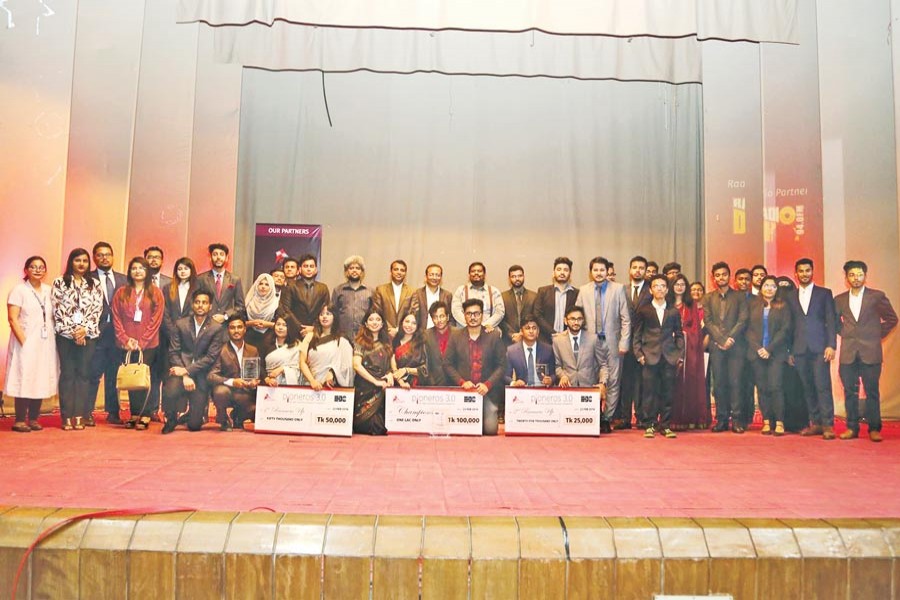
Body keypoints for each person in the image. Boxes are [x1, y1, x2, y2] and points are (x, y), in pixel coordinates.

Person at [835, 260, 898, 442]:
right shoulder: (839, 299)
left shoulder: (876, 296)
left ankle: (874, 429)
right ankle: (852, 428)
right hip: (848, 353)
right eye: (852, 275)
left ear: (865, 276)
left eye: (859, 274)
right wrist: (845, 332)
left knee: (872, 391)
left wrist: (876, 334)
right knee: (850, 392)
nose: (856, 278)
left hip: (871, 352)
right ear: (846, 278)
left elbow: (892, 319)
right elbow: (834, 322)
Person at [574, 256, 630, 433]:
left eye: (602, 270)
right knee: (591, 379)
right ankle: (594, 415)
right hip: (590, 343)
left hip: (613, 343)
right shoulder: (583, 290)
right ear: (590, 272)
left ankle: (607, 417)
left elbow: (625, 319)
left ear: (607, 271)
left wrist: (624, 342)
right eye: (595, 270)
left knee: (613, 380)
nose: (599, 273)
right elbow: (577, 316)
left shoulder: (618, 289)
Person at [52, 248, 103, 431]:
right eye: (77, 260)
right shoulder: (60, 282)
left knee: (83, 374)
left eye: (85, 261)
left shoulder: (95, 284)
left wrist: (84, 330)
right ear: (71, 262)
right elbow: (57, 309)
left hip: (88, 336)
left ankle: (79, 415)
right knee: (67, 374)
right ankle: (66, 416)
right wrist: (73, 332)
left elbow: (97, 310)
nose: (81, 264)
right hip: (66, 336)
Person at [5, 256, 58, 433]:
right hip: (25, 342)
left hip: (46, 342)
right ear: (26, 270)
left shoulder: (49, 291)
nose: (37, 270)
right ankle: (20, 420)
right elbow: (12, 319)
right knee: (24, 377)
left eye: (41, 267)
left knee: (41, 377)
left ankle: (34, 418)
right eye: (33, 267)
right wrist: (24, 342)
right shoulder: (19, 290)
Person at [111, 257, 165, 430]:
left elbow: (156, 319)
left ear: (147, 271)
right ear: (130, 272)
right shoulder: (121, 292)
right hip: (126, 344)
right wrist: (125, 339)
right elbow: (116, 317)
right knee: (131, 378)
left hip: (148, 344)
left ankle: (146, 414)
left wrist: (142, 341)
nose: (138, 271)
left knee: (146, 378)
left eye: (141, 268)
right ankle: (134, 414)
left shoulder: (156, 292)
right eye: (134, 268)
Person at [162, 290, 225, 434]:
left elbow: (211, 357)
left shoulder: (216, 328)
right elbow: (174, 352)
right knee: (170, 389)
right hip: (181, 372)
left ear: (210, 306)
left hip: (201, 375)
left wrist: (187, 371)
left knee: (194, 426)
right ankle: (171, 418)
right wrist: (184, 375)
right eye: (197, 302)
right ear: (192, 304)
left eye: (204, 303)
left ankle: (192, 415)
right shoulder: (181, 324)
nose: (200, 305)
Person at [788, 258, 838, 440]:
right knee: (807, 387)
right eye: (801, 271)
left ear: (812, 271)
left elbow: (831, 321)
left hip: (820, 348)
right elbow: (789, 326)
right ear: (796, 274)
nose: (804, 274)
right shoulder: (790, 296)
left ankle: (828, 425)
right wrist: (790, 351)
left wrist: (831, 345)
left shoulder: (824, 293)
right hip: (799, 349)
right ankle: (815, 423)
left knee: (822, 386)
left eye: (807, 270)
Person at [443, 299, 508, 435]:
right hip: (464, 391)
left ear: (482, 315)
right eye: (469, 314)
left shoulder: (493, 336)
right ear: (464, 316)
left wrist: (488, 384)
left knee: (490, 430)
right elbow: (447, 364)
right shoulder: (456, 336)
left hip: (487, 392)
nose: (473, 317)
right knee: (462, 430)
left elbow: (502, 365)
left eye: (476, 314)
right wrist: (462, 382)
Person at [633, 275, 684, 438]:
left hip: (669, 357)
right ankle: (650, 424)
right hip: (649, 357)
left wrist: (679, 354)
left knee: (668, 392)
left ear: (667, 290)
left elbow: (679, 334)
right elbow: (637, 334)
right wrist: (639, 354)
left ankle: (665, 425)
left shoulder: (673, 311)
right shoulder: (644, 310)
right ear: (651, 290)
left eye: (663, 286)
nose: (659, 289)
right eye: (656, 286)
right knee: (649, 392)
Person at [704, 261, 749, 433]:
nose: (721, 277)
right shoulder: (708, 298)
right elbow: (708, 321)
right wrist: (720, 340)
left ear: (729, 276)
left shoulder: (739, 297)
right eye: (717, 275)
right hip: (717, 347)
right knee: (719, 384)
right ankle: (721, 420)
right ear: (713, 278)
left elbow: (743, 319)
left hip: (736, 346)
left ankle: (737, 420)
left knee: (736, 383)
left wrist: (730, 338)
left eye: (724, 274)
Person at [745, 275, 792, 436]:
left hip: (776, 353)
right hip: (756, 353)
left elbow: (785, 330)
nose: (769, 289)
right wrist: (758, 348)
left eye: (773, 286)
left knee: (775, 386)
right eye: (766, 285)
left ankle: (779, 422)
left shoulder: (783, 306)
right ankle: (766, 421)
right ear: (761, 288)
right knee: (762, 388)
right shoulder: (753, 305)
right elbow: (747, 329)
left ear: (777, 289)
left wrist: (769, 349)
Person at [87, 241, 127, 425]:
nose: (104, 258)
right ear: (94, 258)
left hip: (117, 335)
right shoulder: (87, 278)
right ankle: (87, 412)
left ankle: (113, 412)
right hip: (96, 334)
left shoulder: (123, 279)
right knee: (93, 375)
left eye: (107, 254)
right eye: (100, 255)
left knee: (113, 375)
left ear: (113, 257)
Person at [668, 274, 709, 430]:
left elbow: (696, 330)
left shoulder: (691, 305)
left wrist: (682, 334)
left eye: (682, 284)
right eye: (676, 284)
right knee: (672, 383)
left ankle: (692, 418)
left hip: (688, 350)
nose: (679, 287)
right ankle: (672, 418)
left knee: (690, 382)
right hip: (669, 348)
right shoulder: (667, 304)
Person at [617, 255, 651, 429]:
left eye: (641, 268)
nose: (638, 270)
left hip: (645, 343)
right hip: (624, 343)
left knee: (642, 383)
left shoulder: (651, 290)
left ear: (645, 271)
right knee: (625, 382)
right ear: (629, 270)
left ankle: (641, 417)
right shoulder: (622, 289)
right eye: (635, 267)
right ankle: (624, 418)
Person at [208, 316, 259, 431]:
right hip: (226, 391)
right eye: (232, 328)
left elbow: (253, 375)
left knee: (258, 412)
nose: (236, 330)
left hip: (244, 393)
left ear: (245, 329)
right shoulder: (220, 350)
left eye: (239, 327)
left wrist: (253, 382)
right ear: (228, 330)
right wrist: (232, 382)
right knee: (220, 392)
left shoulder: (253, 350)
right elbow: (211, 376)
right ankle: (223, 419)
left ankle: (237, 416)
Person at [352, 308, 395, 434]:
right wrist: (375, 382)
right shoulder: (360, 342)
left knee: (383, 425)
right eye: (371, 319)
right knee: (374, 426)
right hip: (365, 387)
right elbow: (356, 365)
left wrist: (390, 374)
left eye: (378, 319)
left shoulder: (387, 343)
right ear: (366, 323)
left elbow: (391, 366)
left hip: (383, 389)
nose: (374, 322)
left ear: (382, 324)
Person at [299, 303, 354, 390]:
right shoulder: (310, 337)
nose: (324, 316)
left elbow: (347, 366)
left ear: (334, 317)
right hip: (310, 386)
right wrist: (312, 381)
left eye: (328, 314)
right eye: (321, 314)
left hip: (333, 388)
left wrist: (332, 373)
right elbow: (302, 362)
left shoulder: (342, 339)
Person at [279, 253, 330, 337]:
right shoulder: (290, 286)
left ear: (316, 269)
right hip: (294, 333)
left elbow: (326, 310)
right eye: (306, 266)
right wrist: (301, 328)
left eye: (311, 266)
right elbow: (285, 310)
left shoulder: (323, 288)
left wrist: (314, 328)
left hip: (316, 333)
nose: (309, 269)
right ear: (300, 269)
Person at [553, 306, 602, 388]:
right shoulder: (558, 340)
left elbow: (603, 365)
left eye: (579, 319)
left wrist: (602, 383)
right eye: (572, 319)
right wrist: (562, 376)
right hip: (568, 387)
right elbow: (556, 366)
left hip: (589, 387)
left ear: (583, 321)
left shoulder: (593, 339)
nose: (576, 322)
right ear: (565, 321)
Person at [196, 242, 245, 325]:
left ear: (226, 258)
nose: (218, 257)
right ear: (210, 258)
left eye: (221, 254)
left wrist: (225, 316)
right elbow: (195, 303)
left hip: (226, 325)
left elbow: (240, 306)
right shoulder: (201, 279)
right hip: (206, 325)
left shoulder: (235, 280)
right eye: (215, 254)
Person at [533, 257, 578, 345]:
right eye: (559, 269)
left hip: (568, 340)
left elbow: (578, 317)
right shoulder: (543, 291)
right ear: (553, 273)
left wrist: (565, 335)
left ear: (570, 274)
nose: (562, 272)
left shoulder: (576, 293)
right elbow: (537, 315)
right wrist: (553, 333)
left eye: (566, 270)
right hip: (545, 340)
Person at [391, 311, 441, 388]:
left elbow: (427, 369)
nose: (409, 325)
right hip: (398, 385)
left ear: (417, 326)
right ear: (402, 322)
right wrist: (401, 382)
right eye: (407, 321)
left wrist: (407, 370)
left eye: (414, 323)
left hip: (418, 386)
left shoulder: (422, 343)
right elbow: (393, 366)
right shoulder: (395, 340)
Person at [451, 262, 505, 331]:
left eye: (479, 271)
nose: (476, 273)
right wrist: (470, 325)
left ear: (484, 274)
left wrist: (483, 326)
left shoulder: (494, 291)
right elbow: (456, 310)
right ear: (469, 274)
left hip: (488, 330)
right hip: (465, 330)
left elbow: (499, 312)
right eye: (473, 271)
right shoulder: (461, 290)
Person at [504, 315, 555, 387]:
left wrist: (550, 380)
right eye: (527, 328)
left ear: (538, 331)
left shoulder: (548, 349)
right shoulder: (512, 351)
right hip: (521, 390)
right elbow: (506, 376)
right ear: (521, 331)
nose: (531, 331)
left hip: (542, 391)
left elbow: (553, 374)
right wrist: (514, 383)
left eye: (534, 328)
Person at [331, 255, 372, 342]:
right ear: (346, 272)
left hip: (364, 337)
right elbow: (333, 313)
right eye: (351, 268)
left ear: (362, 272)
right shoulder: (338, 290)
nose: (354, 270)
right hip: (343, 336)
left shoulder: (370, 291)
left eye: (357, 268)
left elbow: (373, 314)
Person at [403, 263, 453, 330]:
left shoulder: (447, 295)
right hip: (421, 333)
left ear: (441, 277)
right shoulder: (417, 294)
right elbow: (410, 315)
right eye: (431, 275)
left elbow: (451, 318)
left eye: (437, 275)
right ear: (425, 277)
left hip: (441, 334)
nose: (434, 277)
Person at [372, 259, 413, 339]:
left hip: (405, 334)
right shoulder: (380, 289)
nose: (399, 272)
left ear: (405, 273)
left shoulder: (412, 291)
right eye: (396, 269)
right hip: (385, 334)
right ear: (391, 272)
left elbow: (412, 312)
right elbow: (377, 310)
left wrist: (399, 329)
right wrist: (389, 329)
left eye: (402, 270)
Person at [499, 265, 537, 346]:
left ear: (524, 276)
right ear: (509, 279)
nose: (517, 279)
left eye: (520, 276)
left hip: (529, 340)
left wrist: (523, 333)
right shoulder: (502, 297)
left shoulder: (534, 296)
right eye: (513, 276)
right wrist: (512, 335)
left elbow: (536, 317)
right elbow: (501, 319)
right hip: (508, 340)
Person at [261, 316, 302, 386]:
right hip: (269, 384)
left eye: (284, 325)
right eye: (278, 324)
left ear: (290, 328)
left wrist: (282, 369)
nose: (280, 328)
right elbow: (260, 365)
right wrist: (267, 379)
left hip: (290, 387)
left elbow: (299, 368)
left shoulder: (297, 346)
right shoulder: (266, 343)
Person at [243, 273, 279, 350]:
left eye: (267, 284)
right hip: (249, 337)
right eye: (260, 284)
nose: (263, 287)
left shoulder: (277, 303)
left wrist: (268, 324)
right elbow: (240, 321)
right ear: (256, 285)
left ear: (271, 287)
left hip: (269, 339)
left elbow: (280, 324)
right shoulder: (248, 301)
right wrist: (251, 323)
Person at [422, 301, 451, 386]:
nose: (439, 320)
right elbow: (424, 361)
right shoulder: (425, 335)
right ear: (432, 319)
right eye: (435, 317)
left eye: (442, 316)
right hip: (433, 384)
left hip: (455, 384)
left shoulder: (458, 334)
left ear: (447, 317)